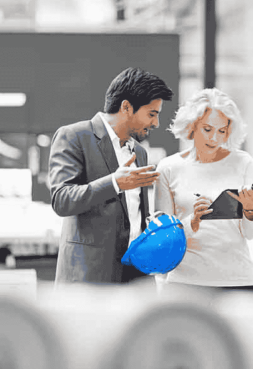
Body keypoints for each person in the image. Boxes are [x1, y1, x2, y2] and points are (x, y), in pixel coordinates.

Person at [154, 88, 253, 369]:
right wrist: (190, 221)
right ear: (192, 126)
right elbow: (162, 234)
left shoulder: (242, 162)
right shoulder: (168, 169)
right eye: (208, 129)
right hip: (185, 283)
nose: (215, 137)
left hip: (234, 279)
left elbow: (249, 233)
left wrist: (251, 211)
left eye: (223, 131)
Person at [48, 67, 173, 286]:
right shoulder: (74, 136)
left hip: (136, 278)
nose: (156, 124)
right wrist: (115, 182)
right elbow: (62, 199)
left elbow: (132, 216)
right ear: (126, 107)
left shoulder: (140, 152)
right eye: (151, 114)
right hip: (90, 280)